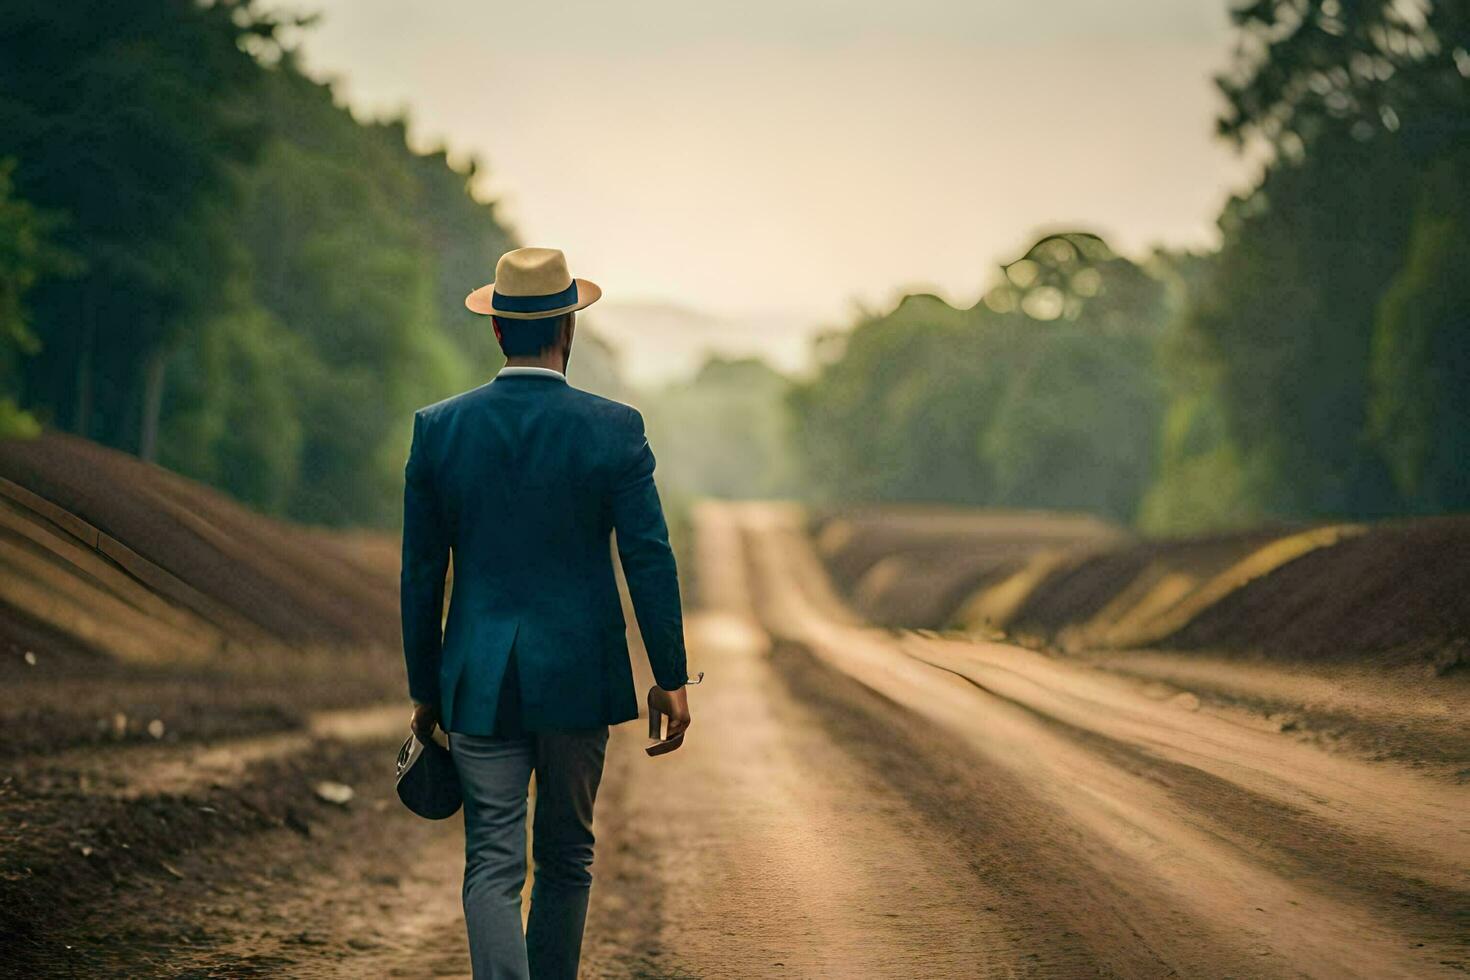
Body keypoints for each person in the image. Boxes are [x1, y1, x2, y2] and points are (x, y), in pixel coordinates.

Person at [400, 247, 692, 979]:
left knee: (492, 864)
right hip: (577, 679)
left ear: (497, 331)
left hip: (478, 682)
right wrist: (671, 675)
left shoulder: (439, 429)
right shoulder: (615, 428)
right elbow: (649, 557)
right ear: (570, 329)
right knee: (567, 858)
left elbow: (421, 575)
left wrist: (424, 691)